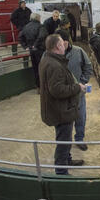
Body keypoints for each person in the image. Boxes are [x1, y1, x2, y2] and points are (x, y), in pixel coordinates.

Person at [39, 34, 86, 175]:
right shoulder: (55, 65)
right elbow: (57, 90)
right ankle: (61, 171)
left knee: (65, 138)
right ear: (58, 46)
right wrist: (78, 87)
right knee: (63, 141)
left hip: (56, 108)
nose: (65, 45)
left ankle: (67, 160)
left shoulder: (47, 59)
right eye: (62, 43)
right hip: (61, 111)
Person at [63, 34, 93, 151]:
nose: (61, 45)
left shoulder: (78, 51)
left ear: (67, 41)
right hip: (63, 95)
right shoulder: (53, 55)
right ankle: (65, 143)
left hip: (78, 93)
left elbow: (88, 66)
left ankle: (79, 139)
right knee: (65, 120)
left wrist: (83, 81)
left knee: (80, 117)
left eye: (64, 42)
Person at [19, 13, 48, 91]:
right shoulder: (41, 26)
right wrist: (35, 45)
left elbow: (20, 37)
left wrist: (26, 47)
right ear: (38, 18)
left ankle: (38, 86)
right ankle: (44, 87)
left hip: (32, 51)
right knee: (43, 68)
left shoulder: (26, 27)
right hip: (40, 50)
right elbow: (42, 36)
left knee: (35, 68)